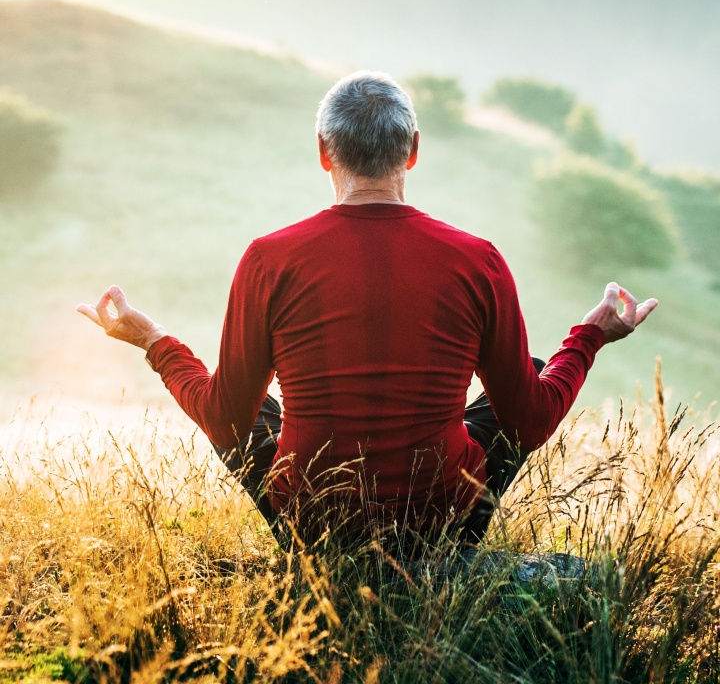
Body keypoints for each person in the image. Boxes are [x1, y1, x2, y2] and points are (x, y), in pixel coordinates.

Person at [78, 71, 658, 544]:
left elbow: (227, 421)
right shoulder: (478, 260)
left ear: (324, 153)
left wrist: (155, 342)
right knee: (531, 372)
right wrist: (591, 335)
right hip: (442, 522)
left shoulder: (267, 259)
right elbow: (529, 421)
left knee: (246, 405)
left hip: (311, 521)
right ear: (412, 152)